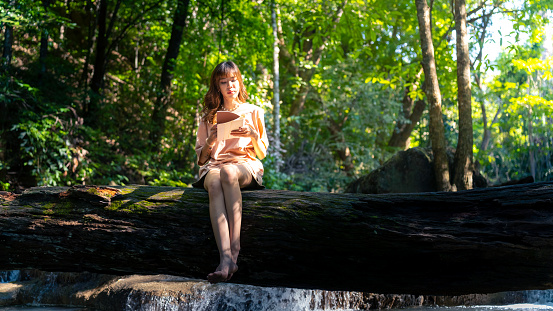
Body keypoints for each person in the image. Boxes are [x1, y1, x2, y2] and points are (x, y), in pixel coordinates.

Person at [192, 61, 269, 283]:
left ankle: (233, 252)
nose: (229, 86)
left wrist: (254, 134)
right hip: (213, 166)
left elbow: (261, 153)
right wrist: (210, 140)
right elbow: (201, 159)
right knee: (216, 178)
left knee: (227, 172)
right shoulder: (209, 116)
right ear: (217, 86)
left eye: (233, 80)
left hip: (244, 165)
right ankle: (224, 259)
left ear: (239, 81)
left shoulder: (254, 111)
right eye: (223, 82)